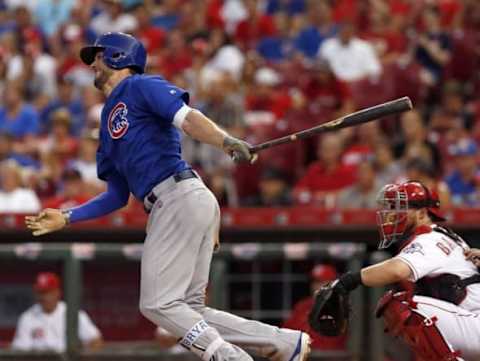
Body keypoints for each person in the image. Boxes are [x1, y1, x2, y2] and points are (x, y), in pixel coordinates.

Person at [25, 32, 311, 361]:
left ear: (119, 57)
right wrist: (68, 216)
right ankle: (284, 343)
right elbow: (117, 196)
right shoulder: (106, 123)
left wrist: (225, 141)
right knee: (187, 309)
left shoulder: (141, 86)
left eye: (99, 56)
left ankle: (230, 358)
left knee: (157, 303)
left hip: (179, 195)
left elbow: (187, 118)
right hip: (178, 200)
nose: (92, 63)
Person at [318, 181, 480, 360]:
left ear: (422, 213)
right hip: (470, 322)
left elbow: (397, 270)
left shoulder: (430, 239)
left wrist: (346, 282)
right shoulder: (442, 235)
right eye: (392, 207)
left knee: (401, 304)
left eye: (401, 208)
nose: (393, 214)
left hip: (475, 323)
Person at [11, 272, 102, 353]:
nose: (43, 297)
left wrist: (81, 353)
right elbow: (20, 351)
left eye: (47, 292)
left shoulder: (72, 313)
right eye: (40, 292)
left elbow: (96, 341)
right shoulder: (27, 317)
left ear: (57, 292)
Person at [283, 264, 346, 351]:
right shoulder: (302, 306)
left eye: (322, 282)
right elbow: (286, 333)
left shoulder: (342, 307)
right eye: (315, 282)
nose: (316, 286)